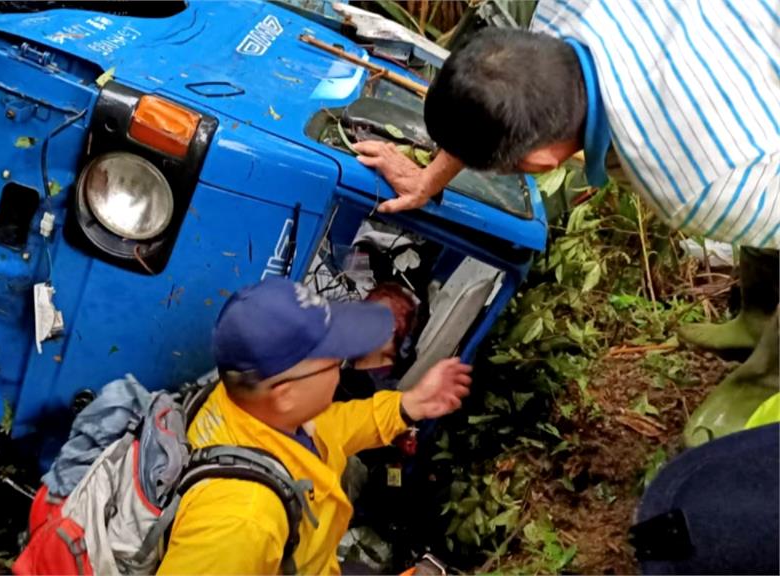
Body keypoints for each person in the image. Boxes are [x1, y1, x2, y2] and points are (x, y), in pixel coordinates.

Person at [352, 0, 779, 443]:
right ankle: (756, 319)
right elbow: (504, 96)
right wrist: (428, 180)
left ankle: (762, 384)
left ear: (539, 163)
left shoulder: (703, 184)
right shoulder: (561, 13)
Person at [156, 278, 472, 575]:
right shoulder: (242, 523)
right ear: (286, 394)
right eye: (334, 362)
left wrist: (408, 405)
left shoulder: (245, 402)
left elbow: (331, 427)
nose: (343, 369)